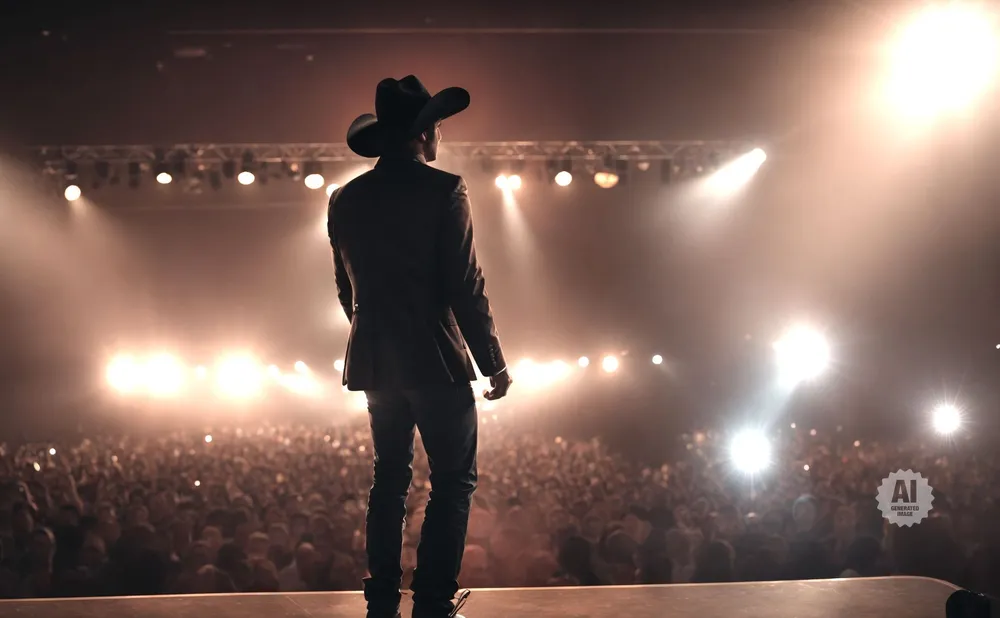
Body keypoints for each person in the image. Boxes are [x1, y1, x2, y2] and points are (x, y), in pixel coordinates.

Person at [329, 75, 513, 618]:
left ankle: (382, 592)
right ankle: (432, 597)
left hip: (376, 363)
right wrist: (493, 362)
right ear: (425, 133)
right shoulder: (445, 189)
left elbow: (346, 288)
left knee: (389, 476)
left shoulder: (345, 198)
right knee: (454, 479)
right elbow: (465, 283)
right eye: (437, 127)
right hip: (436, 359)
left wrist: (376, 336)